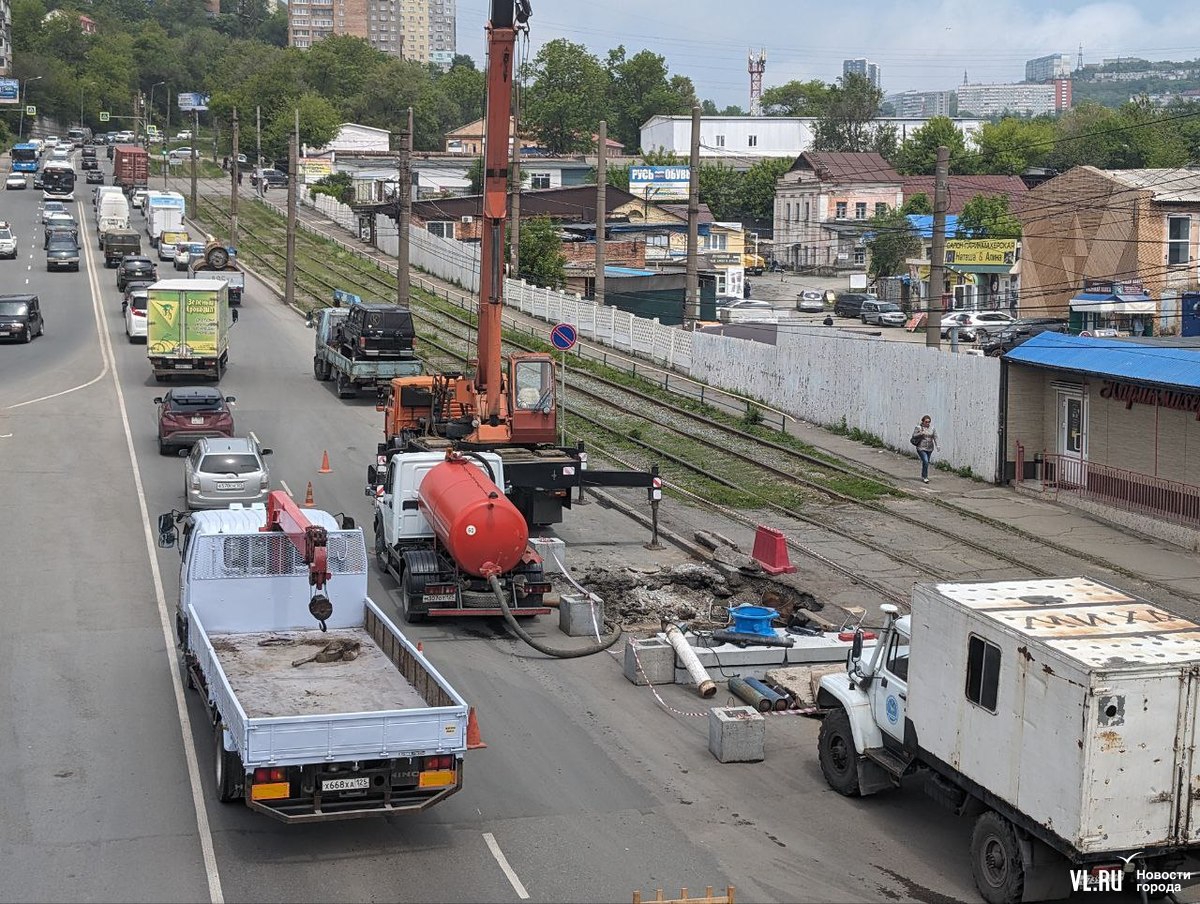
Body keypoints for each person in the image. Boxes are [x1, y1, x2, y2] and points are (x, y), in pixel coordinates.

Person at [911, 415, 939, 484]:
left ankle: (924, 474)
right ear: (923, 422)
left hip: (929, 448)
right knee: (925, 461)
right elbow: (914, 436)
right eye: (926, 422)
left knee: (926, 462)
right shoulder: (918, 428)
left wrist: (937, 445)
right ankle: (925, 477)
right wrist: (920, 433)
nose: (928, 423)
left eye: (929, 422)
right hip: (921, 448)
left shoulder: (932, 428)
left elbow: (935, 437)